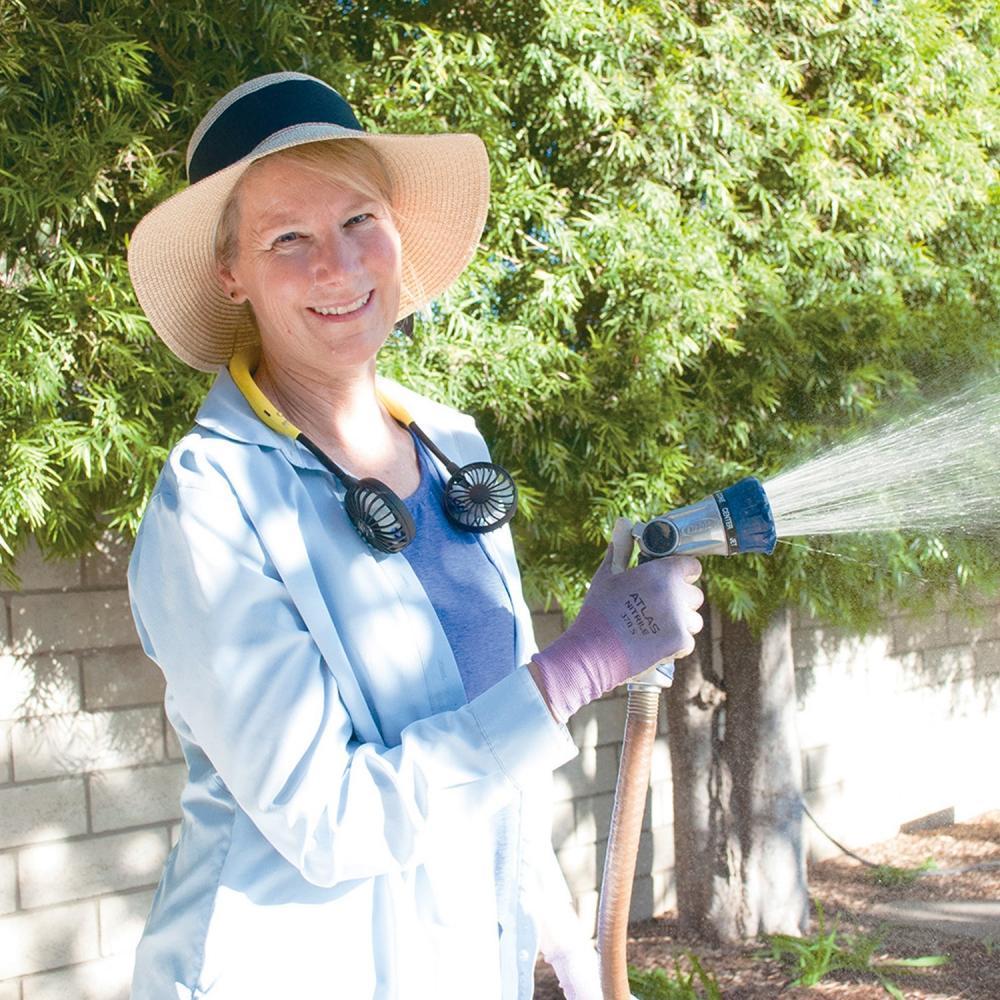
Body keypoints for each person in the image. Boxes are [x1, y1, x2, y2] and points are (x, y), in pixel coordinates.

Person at [126, 71, 704, 1000]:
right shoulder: (211, 501)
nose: (337, 264)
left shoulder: (449, 444)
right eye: (287, 237)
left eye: (359, 219)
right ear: (231, 272)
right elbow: (329, 820)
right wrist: (580, 666)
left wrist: (573, 954)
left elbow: (491, 751)